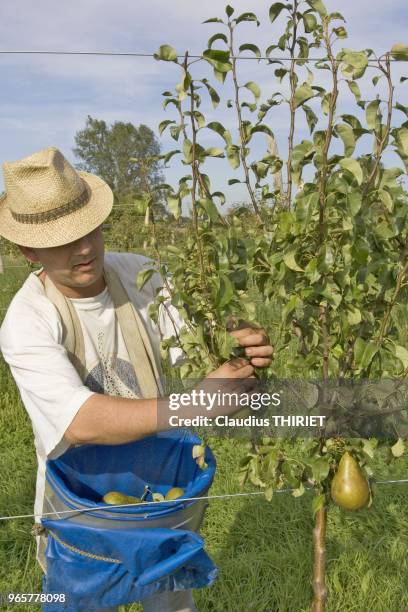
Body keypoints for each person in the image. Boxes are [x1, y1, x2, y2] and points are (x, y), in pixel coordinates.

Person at [0, 146, 273, 611]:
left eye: (89, 230)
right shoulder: (27, 320)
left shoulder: (140, 274)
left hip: (159, 485)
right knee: (81, 598)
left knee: (169, 597)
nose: (84, 248)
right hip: (82, 503)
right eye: (63, 239)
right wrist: (195, 405)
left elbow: (192, 345)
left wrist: (236, 349)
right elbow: (80, 421)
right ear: (29, 251)